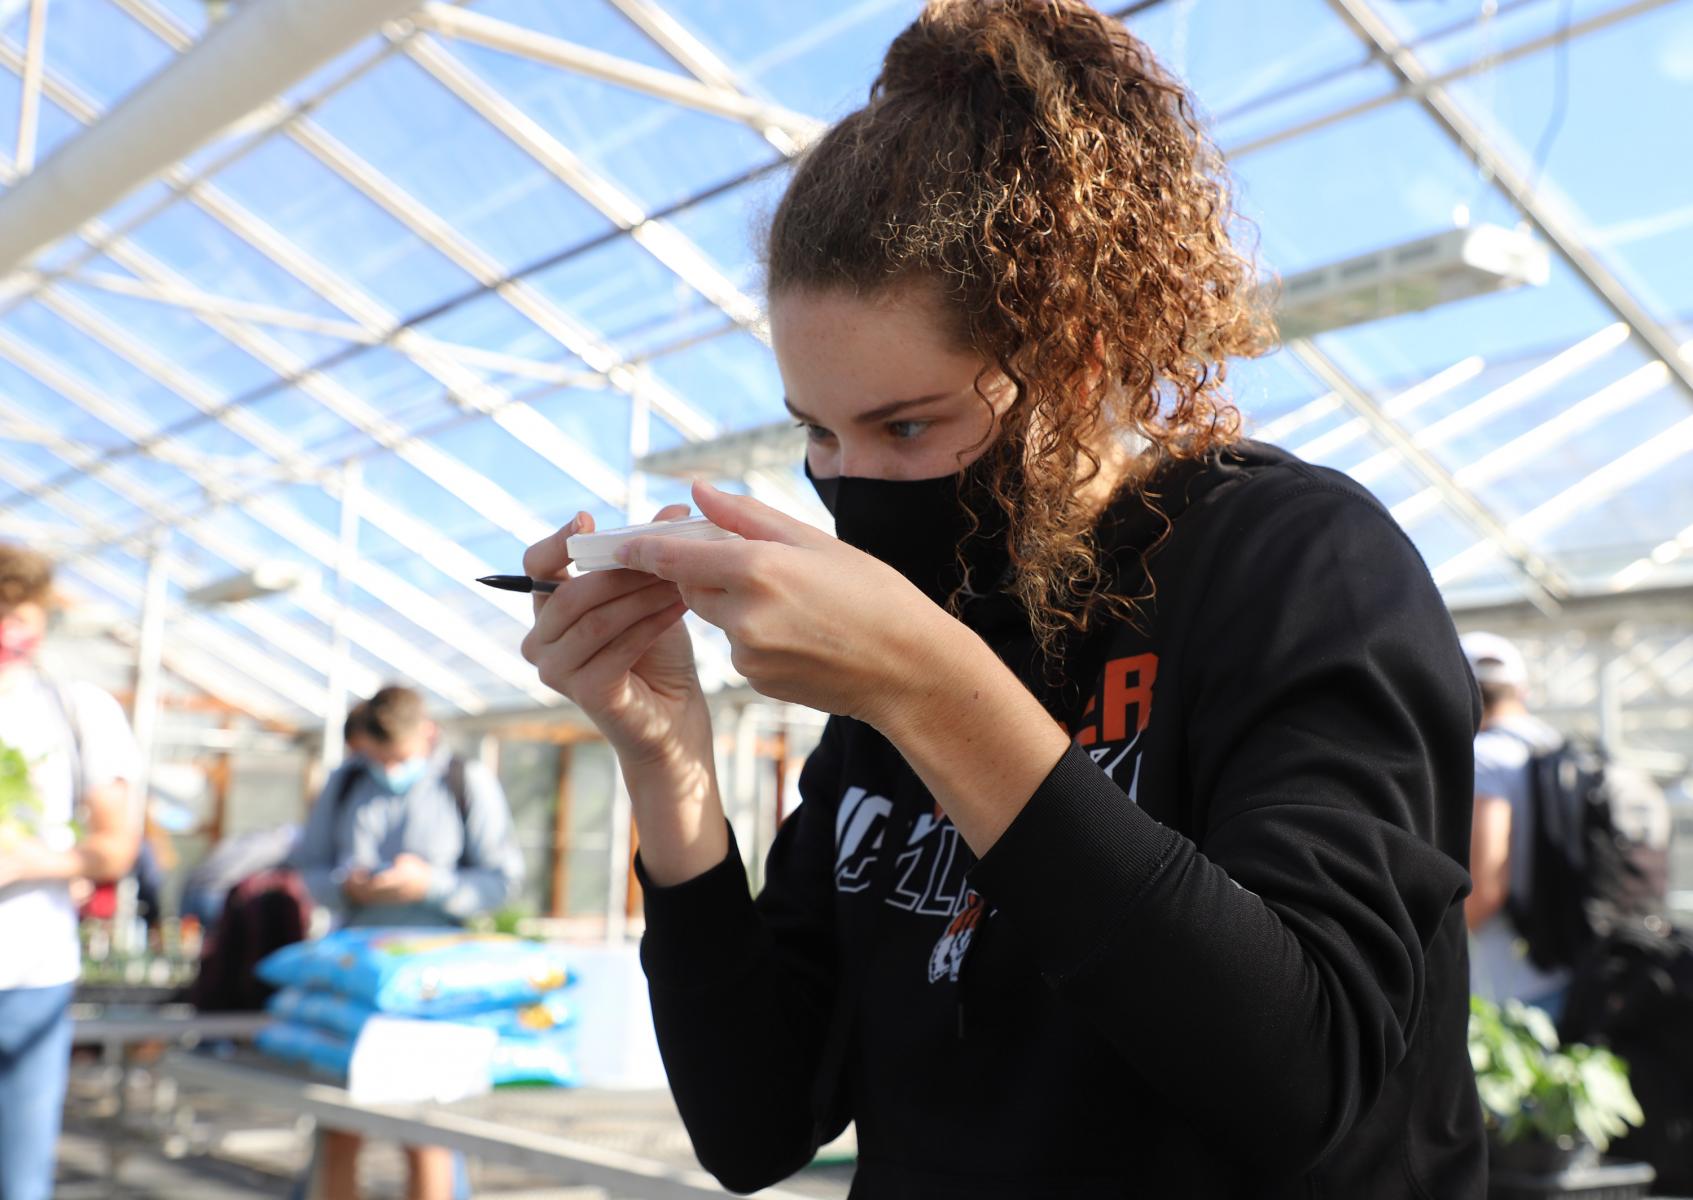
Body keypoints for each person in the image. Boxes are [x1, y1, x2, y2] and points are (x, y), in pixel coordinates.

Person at [520, 2, 1484, 1195]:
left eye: (907, 424)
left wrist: (928, 689)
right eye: (816, 431)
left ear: (1076, 365)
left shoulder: (1295, 565)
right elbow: (756, 1123)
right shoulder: (923, 628)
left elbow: (1306, 1076)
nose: (850, 481)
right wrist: (669, 770)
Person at [289, 685, 523, 1200]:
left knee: (426, 1131)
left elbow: (501, 883)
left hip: (432, 979)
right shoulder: (347, 781)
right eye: (380, 759)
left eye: (400, 758)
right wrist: (345, 885)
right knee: (339, 1122)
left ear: (428, 735)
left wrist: (431, 884)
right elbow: (308, 867)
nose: (390, 769)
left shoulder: (467, 782)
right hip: (357, 970)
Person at [0, 544, 142, 1200]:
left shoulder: (76, 709)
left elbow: (116, 847)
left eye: (21, 613)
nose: (10, 631)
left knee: (21, 1181)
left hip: (31, 977)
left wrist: (35, 862)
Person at [1461, 630, 1572, 1018]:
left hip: (1504, 984)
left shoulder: (1483, 759)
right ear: (1521, 690)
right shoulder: (1555, 747)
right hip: (1561, 966)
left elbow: (1486, 887)